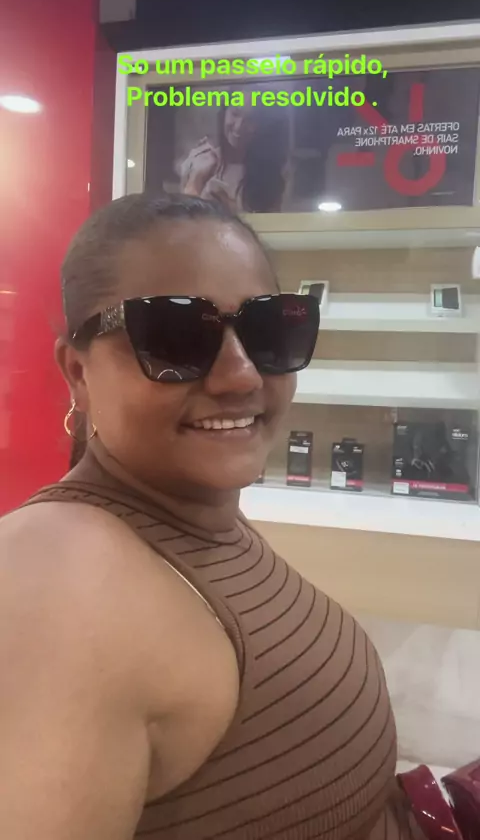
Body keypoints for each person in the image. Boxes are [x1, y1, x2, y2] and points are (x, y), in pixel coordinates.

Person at [0, 194, 425, 839]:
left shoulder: (191, 517)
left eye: (269, 329)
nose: (240, 376)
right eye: (175, 335)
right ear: (78, 373)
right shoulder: (57, 584)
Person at [180, 97, 289, 212]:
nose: (238, 126)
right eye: (235, 114)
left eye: (250, 120)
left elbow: (273, 221)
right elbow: (182, 217)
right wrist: (197, 179)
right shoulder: (197, 159)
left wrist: (228, 207)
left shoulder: (272, 173)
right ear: (224, 112)